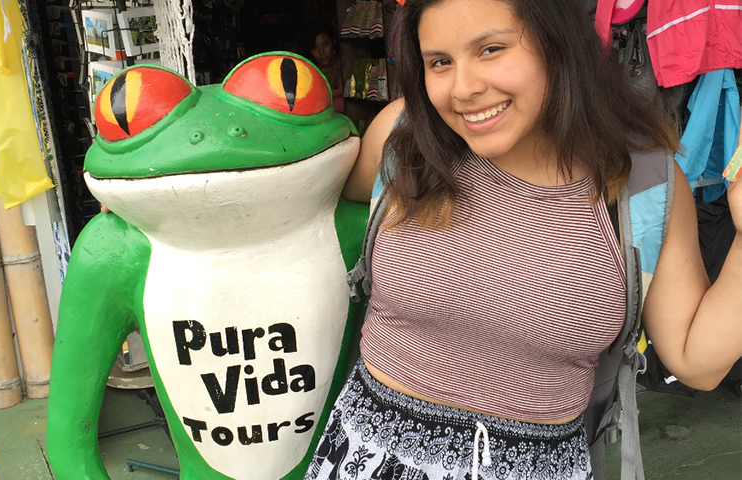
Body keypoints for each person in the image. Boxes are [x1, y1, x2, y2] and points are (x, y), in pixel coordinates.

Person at [304, 0, 742, 479]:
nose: (464, 88)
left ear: (558, 45)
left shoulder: (643, 183)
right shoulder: (403, 136)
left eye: (491, 49)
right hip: (365, 460)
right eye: (440, 62)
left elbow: (697, 362)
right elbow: (311, 208)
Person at [303, 22, 345, 113]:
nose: (321, 52)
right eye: (315, 48)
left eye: (325, 45)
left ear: (333, 41)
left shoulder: (346, 66)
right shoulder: (310, 76)